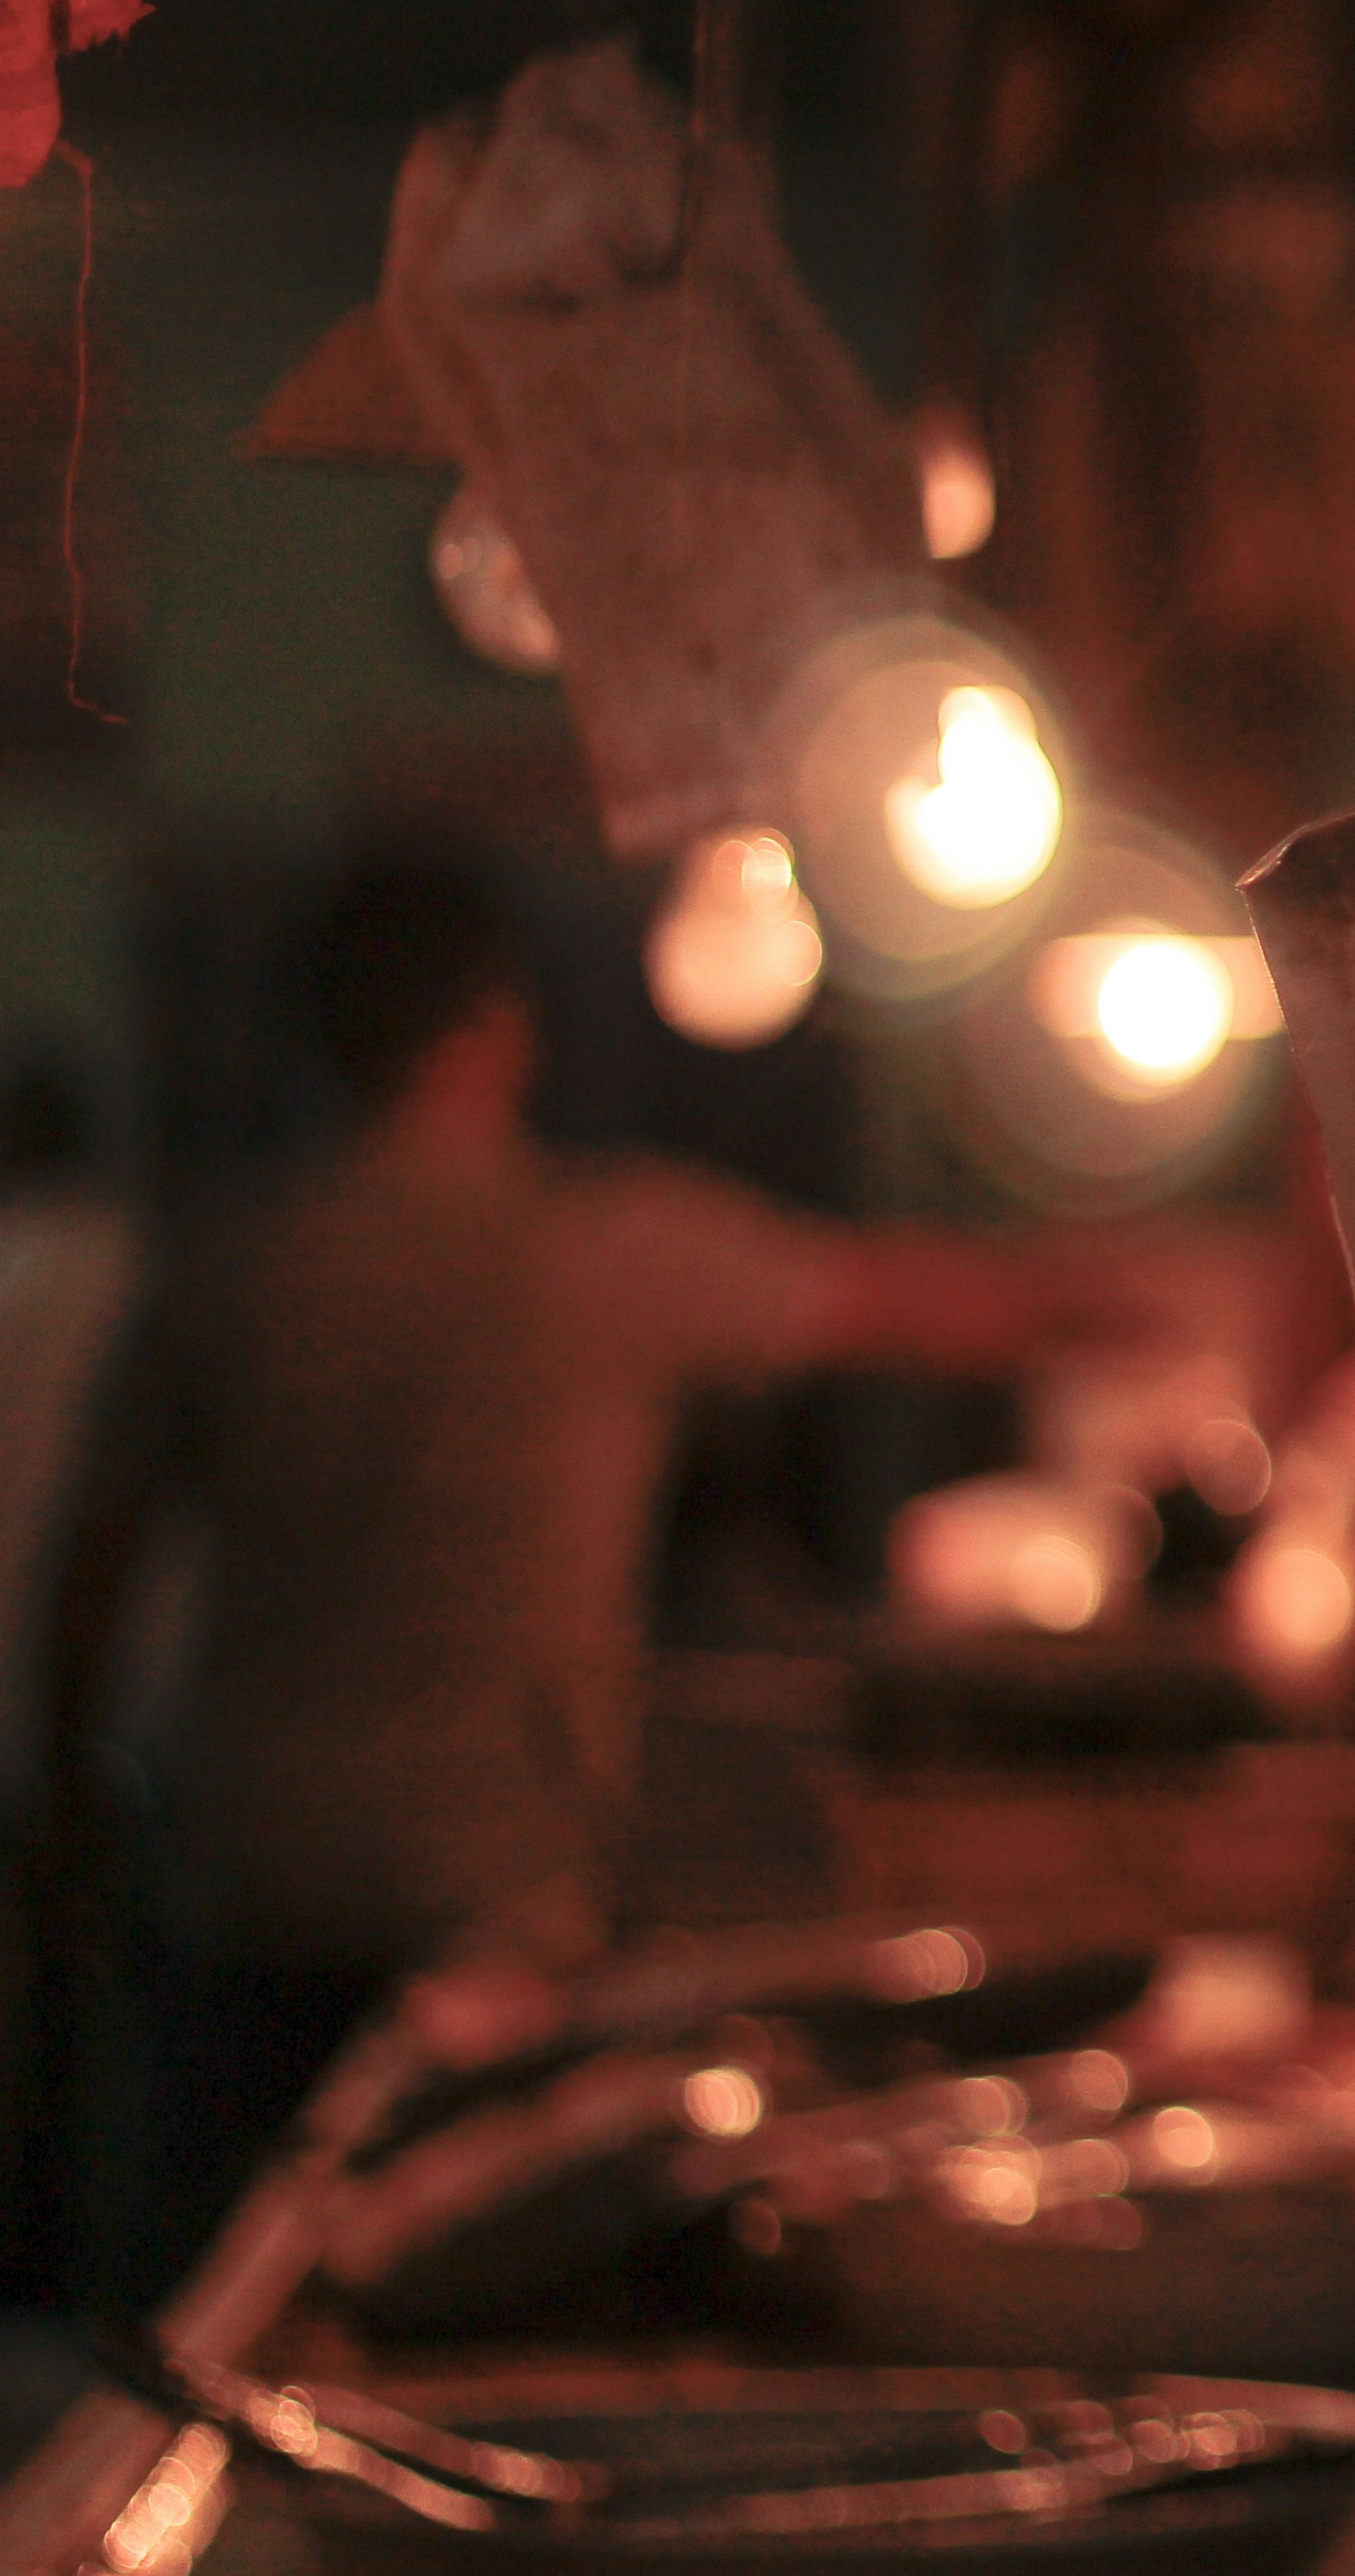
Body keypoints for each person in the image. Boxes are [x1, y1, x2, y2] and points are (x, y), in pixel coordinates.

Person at [58, 854, 1145, 2250]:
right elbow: (923, 1305)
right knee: (437, 2288)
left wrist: (72, 1827)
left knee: (223, 2289)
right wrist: (1126, 1289)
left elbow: (92, 1574)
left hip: (250, 1881)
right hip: (489, 1902)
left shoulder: (224, 1270)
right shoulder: (599, 1248)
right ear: (500, 1029)